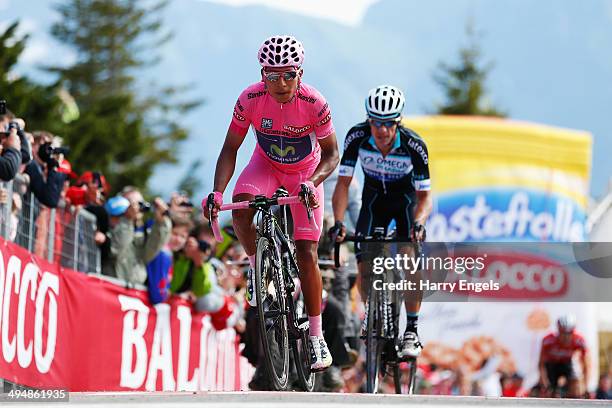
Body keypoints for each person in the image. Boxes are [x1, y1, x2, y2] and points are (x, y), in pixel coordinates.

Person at [204, 35, 339, 371]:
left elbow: (333, 154)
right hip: (265, 165)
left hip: (305, 173)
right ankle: (256, 267)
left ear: (300, 73)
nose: (280, 83)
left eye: (288, 74)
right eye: (272, 75)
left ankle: (316, 337)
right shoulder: (250, 98)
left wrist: (313, 182)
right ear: (262, 74)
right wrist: (217, 192)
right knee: (241, 203)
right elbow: (230, 148)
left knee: (307, 250)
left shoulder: (315, 102)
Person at [329, 85, 432, 359]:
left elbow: (425, 196)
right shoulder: (357, 137)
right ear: (368, 120)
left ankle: (411, 329)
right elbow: (343, 184)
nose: (381, 130)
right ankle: (371, 313)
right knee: (364, 261)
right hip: (374, 201)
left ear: (397, 123)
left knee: (409, 258)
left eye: (388, 124)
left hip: (405, 204)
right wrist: (339, 222)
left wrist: (419, 222)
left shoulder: (414, 145)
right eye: (376, 122)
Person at [538, 315, 589, 398]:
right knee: (549, 390)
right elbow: (541, 364)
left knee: (576, 386)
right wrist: (544, 382)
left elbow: (586, 365)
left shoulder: (579, 340)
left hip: (567, 363)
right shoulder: (548, 340)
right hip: (552, 364)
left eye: (569, 333)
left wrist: (585, 386)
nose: (566, 336)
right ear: (559, 331)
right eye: (563, 333)